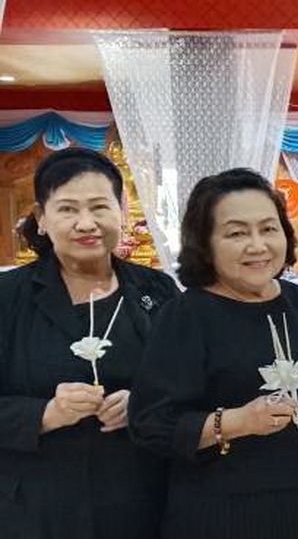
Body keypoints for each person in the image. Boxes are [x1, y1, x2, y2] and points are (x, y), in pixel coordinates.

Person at [128, 169, 298, 539]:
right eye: (236, 233)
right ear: (205, 243)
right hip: (216, 509)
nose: (257, 245)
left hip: (296, 504)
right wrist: (237, 422)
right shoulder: (187, 315)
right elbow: (151, 423)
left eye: (268, 228)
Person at [0, 148, 179, 539]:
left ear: (122, 211)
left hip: (139, 502)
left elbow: (187, 384)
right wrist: (45, 413)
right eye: (67, 209)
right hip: (35, 509)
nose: (86, 223)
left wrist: (142, 404)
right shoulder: (8, 296)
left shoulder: (156, 290)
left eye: (100, 207)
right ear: (42, 217)